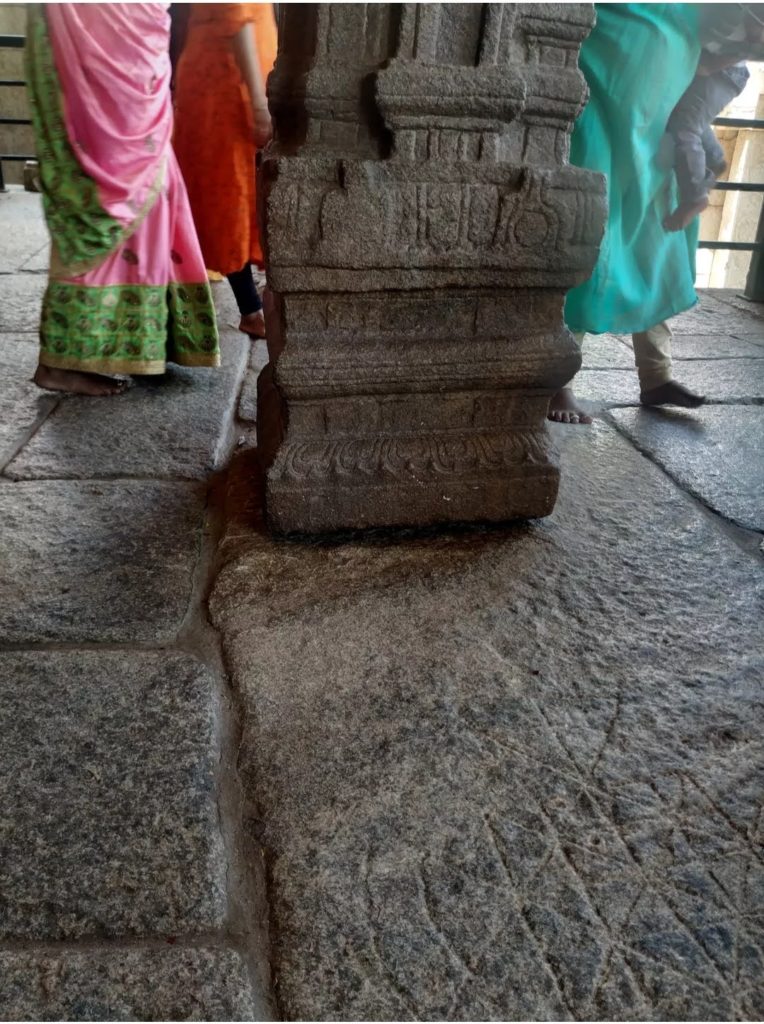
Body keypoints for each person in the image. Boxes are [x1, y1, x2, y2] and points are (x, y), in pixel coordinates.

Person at [25, 4, 220, 397]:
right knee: (98, 204)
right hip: (95, 60)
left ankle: (147, 343)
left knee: (155, 199)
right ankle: (59, 361)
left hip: (138, 67)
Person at [549, 3, 707, 425]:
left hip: (653, 147)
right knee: (592, 253)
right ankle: (558, 383)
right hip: (602, 131)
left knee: (657, 254)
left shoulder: (690, 14)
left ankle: (656, 376)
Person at [173, 4, 277, 341]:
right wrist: (259, 105)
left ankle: (253, 305)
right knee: (230, 196)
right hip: (227, 89)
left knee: (233, 196)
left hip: (224, 82)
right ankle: (252, 310)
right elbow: (237, 21)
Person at [664, 4, 764, 231]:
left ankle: (695, 195)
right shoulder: (726, 13)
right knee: (685, 115)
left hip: (726, 74)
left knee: (684, 125)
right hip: (706, 60)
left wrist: (707, 66)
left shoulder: (751, 35)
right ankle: (712, 157)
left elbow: (717, 63)